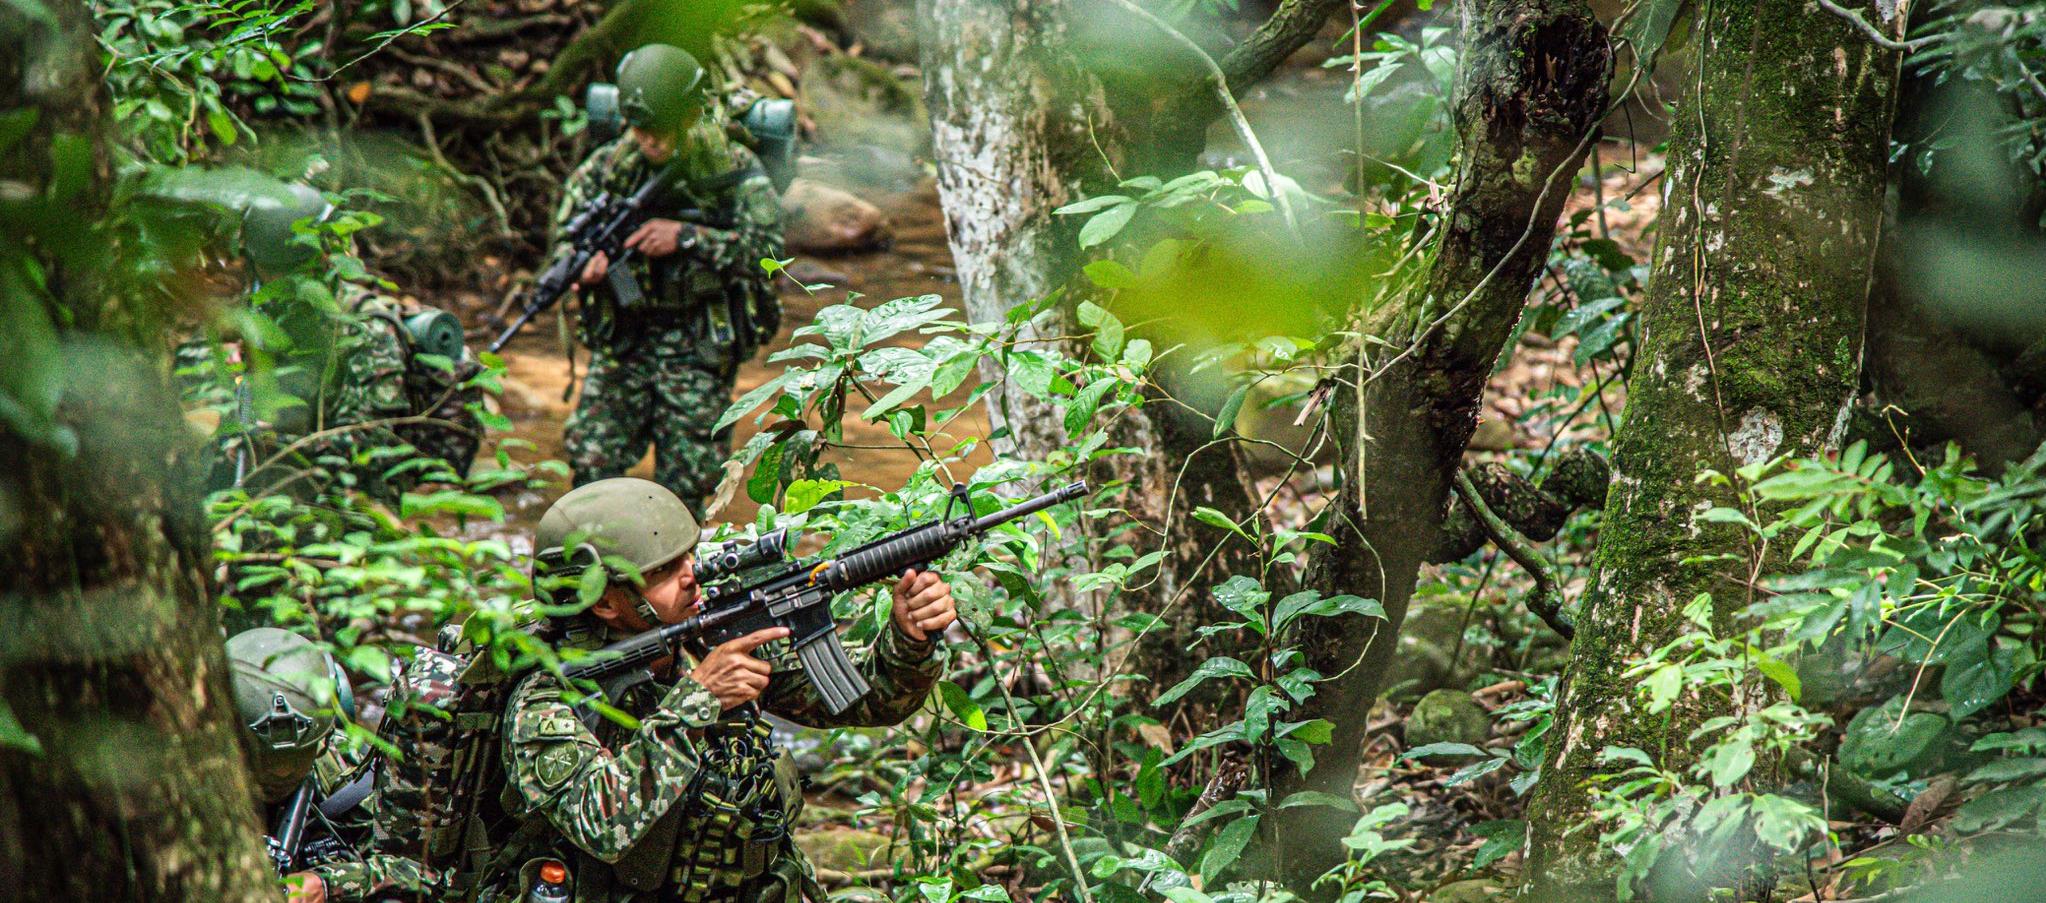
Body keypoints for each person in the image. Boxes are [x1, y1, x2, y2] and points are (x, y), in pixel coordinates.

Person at [473, 477, 951, 901]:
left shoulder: (707, 638)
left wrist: (908, 640)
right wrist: (697, 701)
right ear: (604, 604)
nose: (691, 575)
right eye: (662, 571)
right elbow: (602, 824)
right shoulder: (548, 698)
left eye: (687, 554)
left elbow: (862, 702)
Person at [555, 44, 785, 516]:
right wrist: (583, 264)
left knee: (687, 484)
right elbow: (563, 241)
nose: (650, 142)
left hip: (697, 340)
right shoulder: (606, 169)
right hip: (623, 338)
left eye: (660, 131)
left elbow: (769, 254)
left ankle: (679, 586)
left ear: (687, 118)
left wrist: (689, 237)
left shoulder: (732, 168)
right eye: (640, 130)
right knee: (592, 471)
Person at [178, 183, 481, 500]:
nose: (277, 282)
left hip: (347, 492)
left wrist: (276, 448)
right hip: (267, 483)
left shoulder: (365, 329)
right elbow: (194, 413)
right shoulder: (243, 322)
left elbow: (372, 444)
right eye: (270, 272)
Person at [226, 627, 440, 902]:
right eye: (266, 761)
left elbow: (423, 872)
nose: (281, 772)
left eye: (294, 759)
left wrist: (326, 883)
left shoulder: (343, 768)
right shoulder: (182, 787)